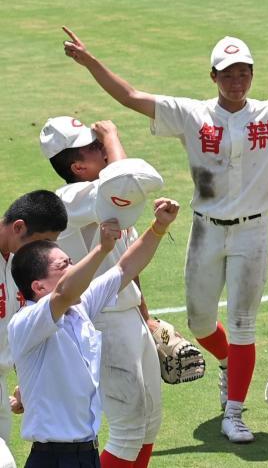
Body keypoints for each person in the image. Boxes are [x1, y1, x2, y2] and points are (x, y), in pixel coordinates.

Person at [61, 25, 268, 442]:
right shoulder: (192, 115)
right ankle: (229, 365)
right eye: (228, 74)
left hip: (252, 233)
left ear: (252, 75)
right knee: (199, 320)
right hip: (205, 229)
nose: (237, 81)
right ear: (213, 77)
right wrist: (91, 62)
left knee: (244, 324)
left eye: (244, 73)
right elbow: (132, 96)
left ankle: (234, 411)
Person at [40, 117, 171, 467]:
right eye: (94, 146)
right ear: (78, 166)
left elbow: (126, 262)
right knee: (128, 430)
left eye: (100, 141)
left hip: (128, 316)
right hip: (104, 322)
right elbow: (134, 180)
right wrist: (113, 134)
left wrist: (148, 318)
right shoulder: (72, 198)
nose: (102, 146)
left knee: (147, 426)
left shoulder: (102, 194)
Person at [9, 198, 179, 468]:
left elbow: (125, 268)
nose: (74, 269)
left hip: (87, 454)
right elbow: (64, 291)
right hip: (51, 459)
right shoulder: (26, 321)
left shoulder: (81, 306)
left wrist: (159, 227)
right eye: (64, 266)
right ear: (39, 287)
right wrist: (101, 249)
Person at [0, 191, 68, 445]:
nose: (44, 252)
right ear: (19, 228)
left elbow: (17, 328)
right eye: (42, 242)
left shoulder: (22, 265)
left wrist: (25, 383)